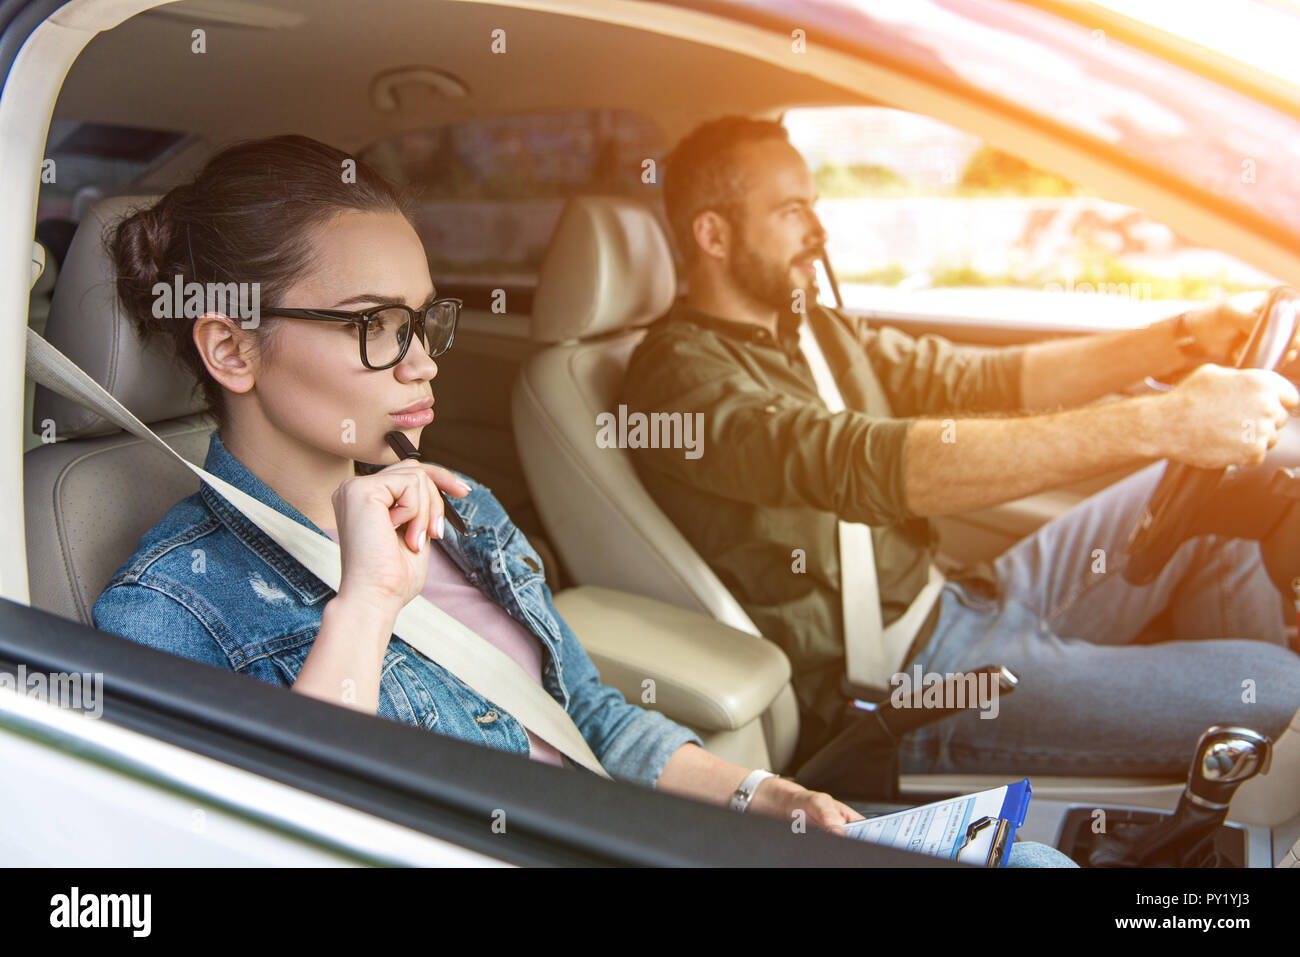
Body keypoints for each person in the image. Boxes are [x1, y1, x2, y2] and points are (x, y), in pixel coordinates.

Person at [86, 134, 1074, 867]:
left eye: (425, 321)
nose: (424, 360)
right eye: (374, 326)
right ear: (230, 348)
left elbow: (590, 718)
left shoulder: (465, 515)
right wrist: (365, 607)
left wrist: (759, 793)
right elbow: (283, 843)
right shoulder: (172, 604)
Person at [619, 116, 1300, 777]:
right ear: (712, 233)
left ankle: (1233, 790)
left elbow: (987, 379)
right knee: (1286, 695)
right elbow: (865, 462)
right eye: (792, 211)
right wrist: (1163, 421)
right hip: (910, 683)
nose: (819, 231)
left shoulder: (814, 330)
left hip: (962, 600)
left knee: (1226, 498)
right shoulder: (678, 381)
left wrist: (1186, 333)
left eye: (815, 207)